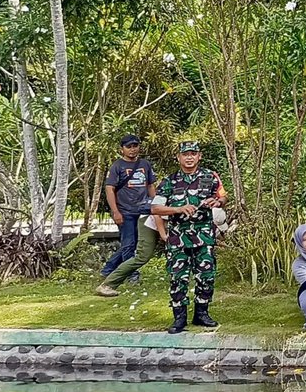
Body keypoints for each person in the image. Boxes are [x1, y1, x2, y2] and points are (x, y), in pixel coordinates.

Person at [151, 141, 226, 333]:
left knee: (206, 276)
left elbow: (223, 197)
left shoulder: (210, 177)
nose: (189, 157)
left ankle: (202, 314)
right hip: (178, 237)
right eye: (185, 154)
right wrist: (177, 209)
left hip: (204, 236)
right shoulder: (169, 181)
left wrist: (216, 201)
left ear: (199, 156)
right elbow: (155, 208)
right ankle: (179, 318)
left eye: (193, 153)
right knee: (178, 278)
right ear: (179, 157)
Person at [100, 134, 155, 287]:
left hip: (143, 210)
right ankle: (132, 275)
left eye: (135, 146)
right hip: (125, 211)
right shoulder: (117, 166)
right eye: (129, 147)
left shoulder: (145, 164)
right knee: (129, 244)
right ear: (122, 149)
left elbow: (150, 186)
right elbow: (109, 189)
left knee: (133, 243)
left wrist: (157, 205)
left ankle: (108, 269)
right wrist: (115, 211)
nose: (132, 149)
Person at [97, 197, 168, 296]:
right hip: (149, 221)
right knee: (142, 256)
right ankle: (108, 285)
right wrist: (163, 234)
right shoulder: (169, 185)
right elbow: (157, 214)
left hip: (162, 222)